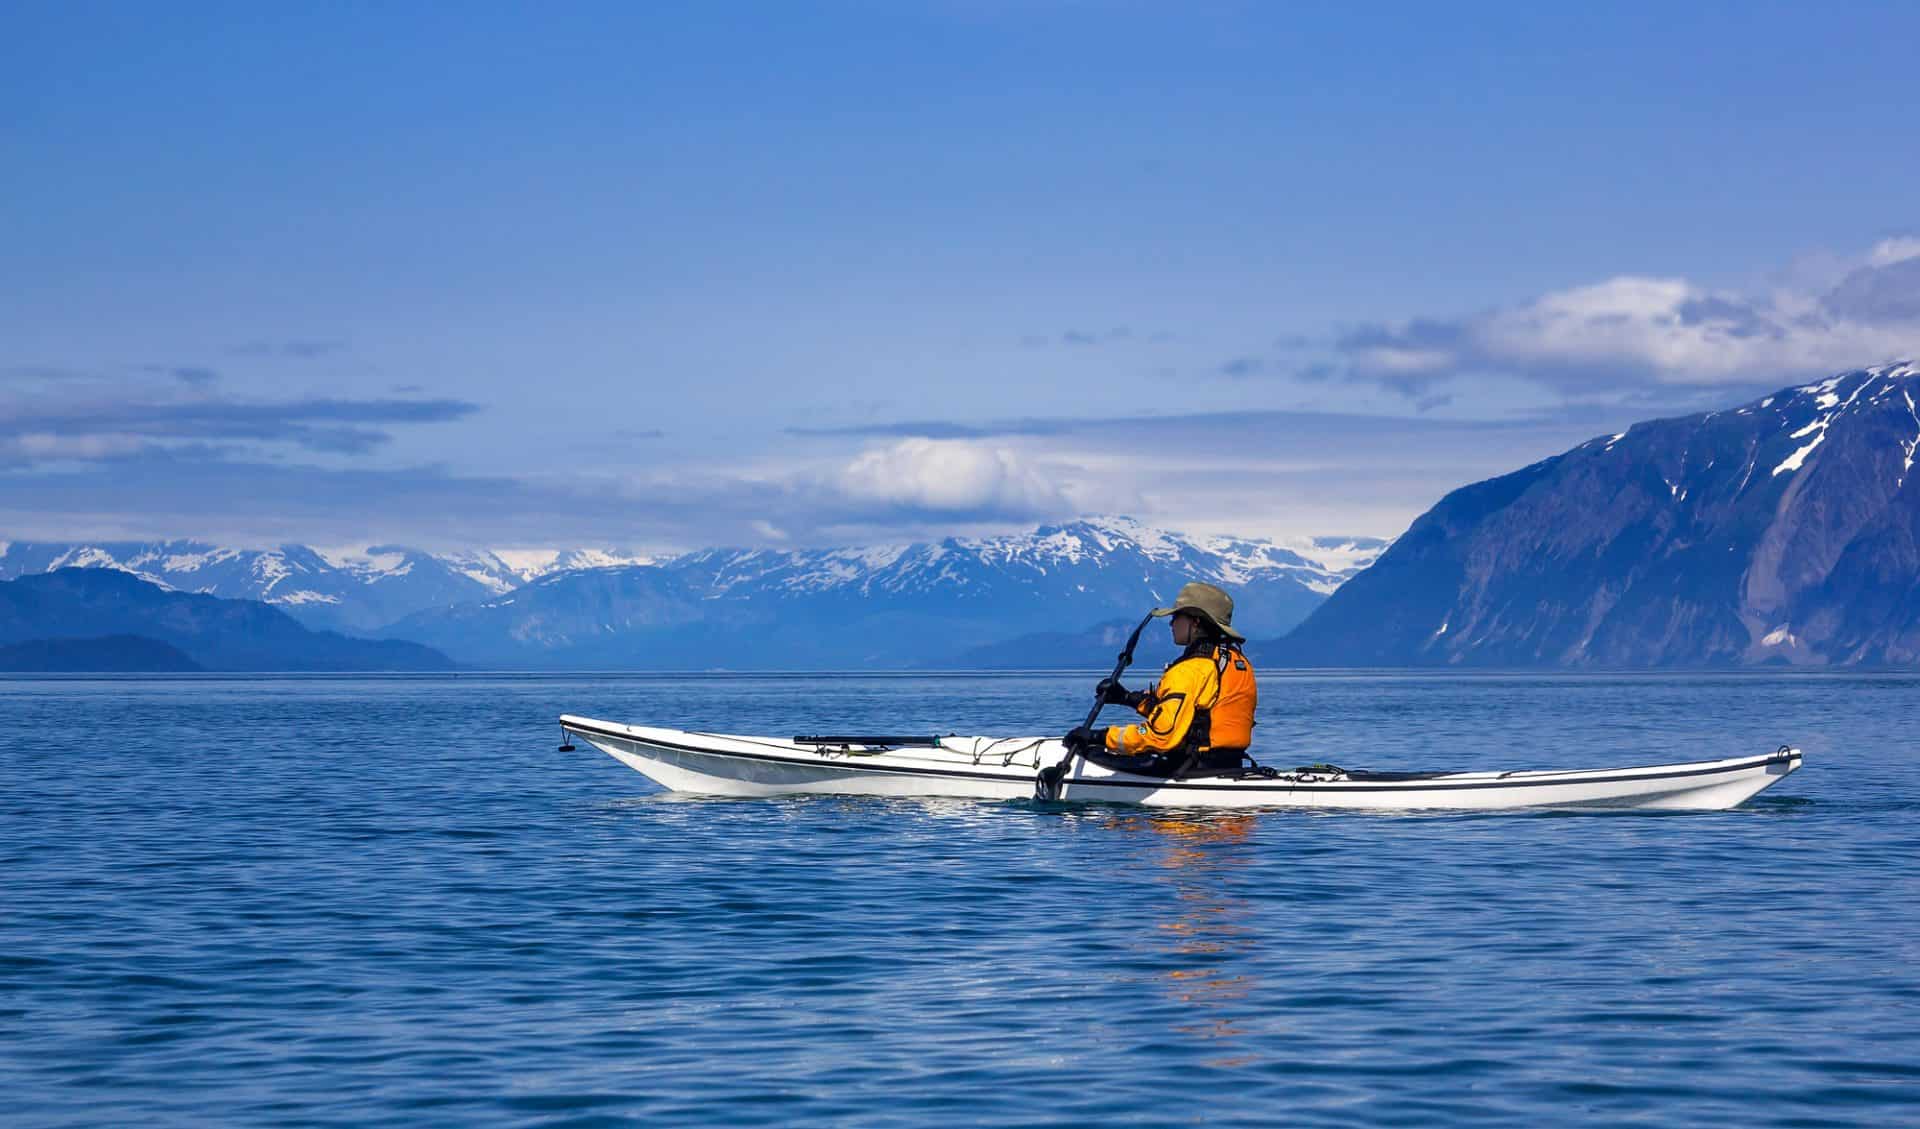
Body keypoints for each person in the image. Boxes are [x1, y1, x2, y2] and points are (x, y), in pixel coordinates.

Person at [1064, 581, 1258, 778]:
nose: (1171, 623)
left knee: (1091, 753)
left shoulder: (1190, 670)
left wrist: (1099, 737)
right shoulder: (1237, 662)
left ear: (1195, 622)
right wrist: (1127, 698)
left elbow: (1161, 736)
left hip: (1191, 769)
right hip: (1232, 764)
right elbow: (1189, 717)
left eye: (1176, 616)